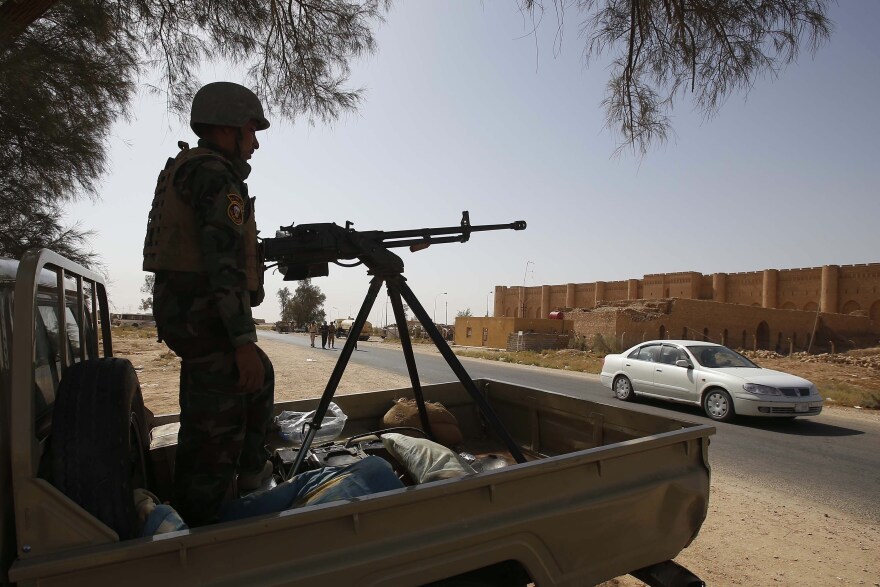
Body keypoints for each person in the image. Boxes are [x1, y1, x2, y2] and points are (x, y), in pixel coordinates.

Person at [143, 81, 274, 527]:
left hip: (191, 316)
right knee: (215, 437)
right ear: (227, 128)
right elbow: (223, 262)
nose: (255, 142)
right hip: (205, 319)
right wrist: (241, 339)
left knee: (258, 377)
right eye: (251, 130)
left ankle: (252, 475)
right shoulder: (216, 174)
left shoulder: (193, 167)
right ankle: (202, 531)